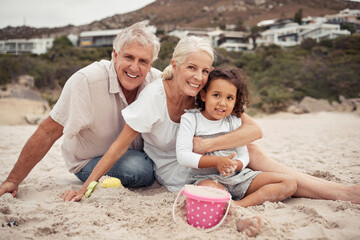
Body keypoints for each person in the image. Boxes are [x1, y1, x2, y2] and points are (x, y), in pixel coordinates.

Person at [61, 35, 263, 236]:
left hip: (207, 161)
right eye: (191, 68)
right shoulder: (154, 96)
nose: (198, 77)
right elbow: (118, 147)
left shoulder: (203, 94)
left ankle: (294, 181)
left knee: (251, 150)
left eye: (204, 71)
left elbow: (254, 130)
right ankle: (236, 214)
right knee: (232, 163)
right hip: (179, 171)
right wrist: (84, 188)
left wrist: (206, 145)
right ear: (175, 66)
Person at [0, 20, 162, 198]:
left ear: (151, 64)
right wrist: (13, 180)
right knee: (140, 169)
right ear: (115, 55)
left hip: (138, 155)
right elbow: (48, 131)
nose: (134, 67)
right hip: (90, 162)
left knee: (150, 163)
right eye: (129, 57)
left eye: (143, 61)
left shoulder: (157, 83)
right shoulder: (86, 81)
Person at [176, 68, 297, 207]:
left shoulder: (233, 120)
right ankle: (227, 204)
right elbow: (183, 156)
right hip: (206, 179)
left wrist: (235, 165)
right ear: (204, 95)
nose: (222, 103)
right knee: (210, 194)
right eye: (216, 95)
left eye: (229, 98)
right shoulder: (191, 119)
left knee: (289, 183)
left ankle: (239, 205)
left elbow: (243, 155)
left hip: (238, 177)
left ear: (235, 101)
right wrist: (216, 161)